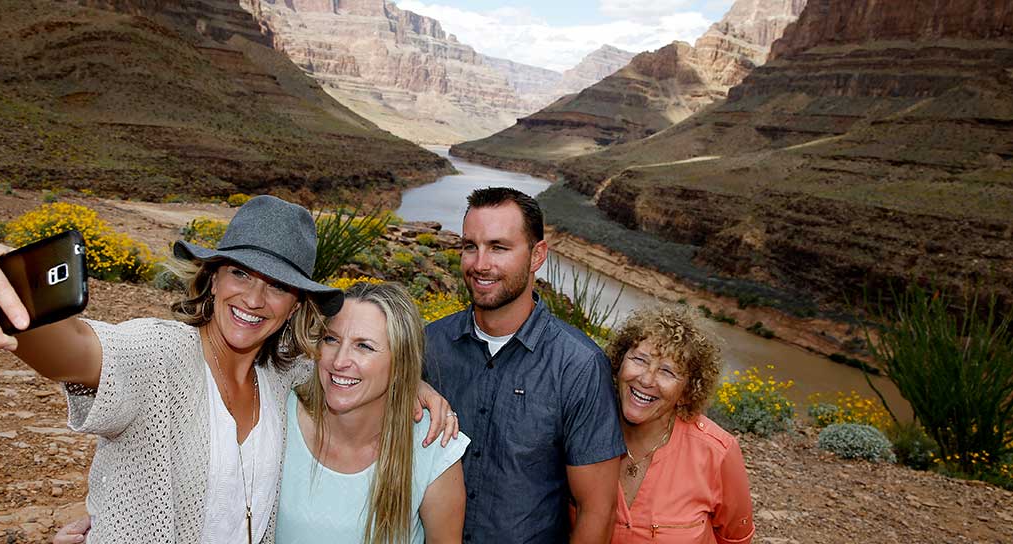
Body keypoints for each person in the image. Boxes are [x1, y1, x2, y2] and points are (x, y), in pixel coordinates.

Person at [0, 195, 456, 543]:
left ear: (296, 304)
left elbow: (354, 373)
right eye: (239, 273)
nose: (254, 297)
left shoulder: (283, 379)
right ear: (212, 278)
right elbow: (78, 350)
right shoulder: (160, 357)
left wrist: (417, 387)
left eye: (277, 285)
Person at [422, 187, 624, 543]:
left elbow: (597, 510)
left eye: (498, 247)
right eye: (470, 246)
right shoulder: (429, 344)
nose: (480, 264)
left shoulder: (578, 365)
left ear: (537, 255)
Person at [277, 281, 468, 544]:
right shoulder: (278, 416)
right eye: (331, 339)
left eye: (364, 346)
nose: (339, 361)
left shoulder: (433, 446)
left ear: (400, 362)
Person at [604, 305, 755, 543]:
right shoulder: (585, 425)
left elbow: (736, 538)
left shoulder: (717, 453)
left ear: (687, 391)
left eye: (667, 371)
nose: (646, 379)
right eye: (640, 359)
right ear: (618, 364)